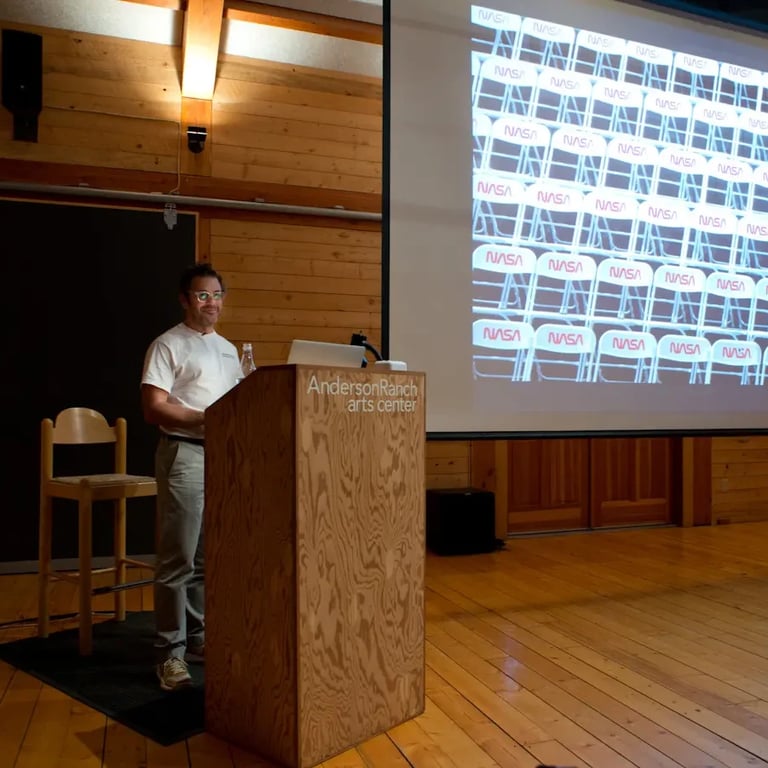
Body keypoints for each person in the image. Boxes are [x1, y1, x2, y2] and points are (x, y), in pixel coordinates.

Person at [141, 263, 241, 691]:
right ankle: (169, 654)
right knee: (178, 558)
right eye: (202, 295)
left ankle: (200, 639)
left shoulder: (230, 349)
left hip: (223, 457)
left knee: (207, 558)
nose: (211, 303)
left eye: (216, 295)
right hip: (184, 453)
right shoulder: (167, 345)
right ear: (185, 300)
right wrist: (207, 418)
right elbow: (154, 407)